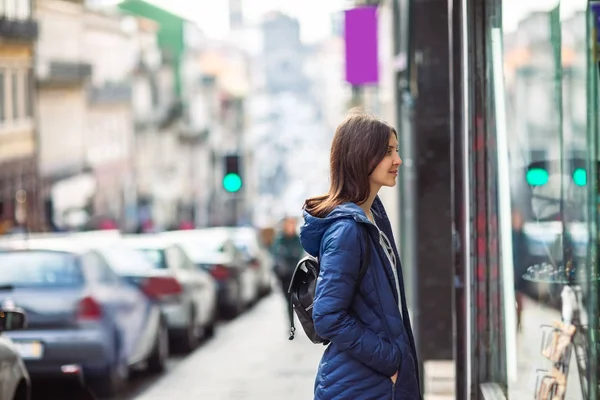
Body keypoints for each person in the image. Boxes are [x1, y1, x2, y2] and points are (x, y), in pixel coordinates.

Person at [300, 111, 421, 399]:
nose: (398, 161)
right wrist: (390, 361)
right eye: (388, 152)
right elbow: (328, 316)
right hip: (362, 386)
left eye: (397, 150)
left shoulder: (373, 216)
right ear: (363, 156)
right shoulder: (347, 231)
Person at [272, 216, 305, 327]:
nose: (290, 227)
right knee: (288, 300)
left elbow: (297, 254)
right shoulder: (280, 239)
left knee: (297, 300)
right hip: (284, 276)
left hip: (295, 274)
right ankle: (291, 323)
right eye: (288, 224)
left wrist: (287, 254)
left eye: (292, 224)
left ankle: (301, 322)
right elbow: (277, 254)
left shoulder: (297, 239)